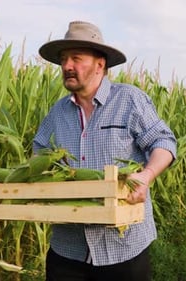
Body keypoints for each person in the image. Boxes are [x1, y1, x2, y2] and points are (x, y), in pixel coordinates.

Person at [34, 20, 177, 281]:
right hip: (68, 249)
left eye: (76, 58)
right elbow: (39, 151)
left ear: (100, 64)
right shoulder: (57, 112)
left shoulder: (129, 100)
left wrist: (145, 176)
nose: (67, 66)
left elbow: (164, 143)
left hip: (122, 249)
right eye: (64, 59)